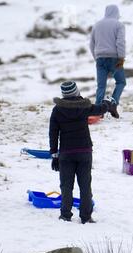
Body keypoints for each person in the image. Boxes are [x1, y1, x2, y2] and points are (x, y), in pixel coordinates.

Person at [49, 81, 118, 224]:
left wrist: (54, 154)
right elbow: (99, 109)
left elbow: (53, 133)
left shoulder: (57, 110)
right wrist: (107, 102)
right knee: (85, 185)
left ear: (63, 94)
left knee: (66, 185)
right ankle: (86, 217)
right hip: (84, 151)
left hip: (66, 153)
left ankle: (65, 215)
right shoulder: (84, 106)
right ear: (76, 92)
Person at [90, 4, 126, 110]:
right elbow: (120, 42)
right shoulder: (118, 25)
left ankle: (98, 109)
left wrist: (96, 58)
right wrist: (121, 57)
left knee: (101, 86)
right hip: (114, 58)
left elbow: (91, 44)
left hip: (100, 58)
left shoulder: (97, 25)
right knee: (121, 82)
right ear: (117, 13)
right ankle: (113, 104)